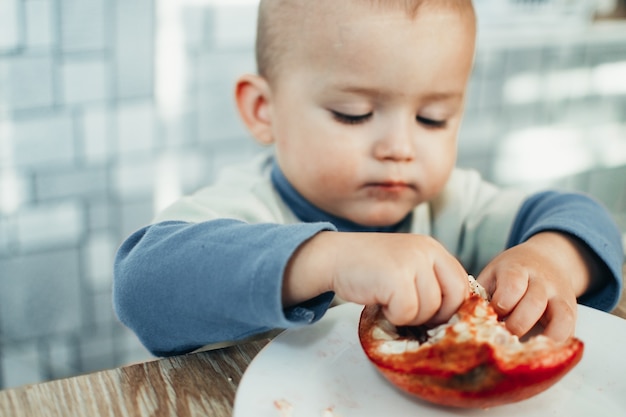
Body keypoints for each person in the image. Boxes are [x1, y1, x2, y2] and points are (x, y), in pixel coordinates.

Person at [113, 0, 624, 357]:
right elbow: (143, 284)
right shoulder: (246, 207)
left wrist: (550, 258)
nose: (399, 148)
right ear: (264, 110)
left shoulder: (452, 205)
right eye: (353, 113)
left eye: (433, 119)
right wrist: (329, 260)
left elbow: (581, 216)